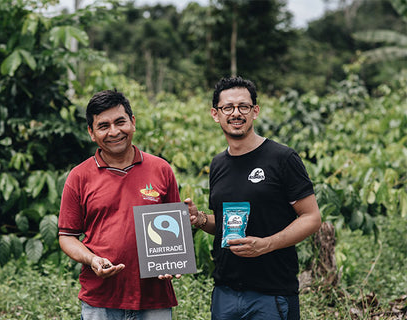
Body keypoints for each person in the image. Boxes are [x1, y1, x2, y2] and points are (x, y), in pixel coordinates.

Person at [185, 76, 322, 320]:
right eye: (228, 107)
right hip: (224, 292)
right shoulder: (217, 165)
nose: (235, 113)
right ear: (215, 114)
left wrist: (266, 244)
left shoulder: (283, 158)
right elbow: (226, 223)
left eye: (243, 107)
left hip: (272, 294)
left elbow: (311, 217)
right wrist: (200, 219)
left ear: (255, 111)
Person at [58, 89, 181, 320]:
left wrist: (171, 262)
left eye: (120, 122)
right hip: (101, 300)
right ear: (91, 133)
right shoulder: (79, 177)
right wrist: (92, 259)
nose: (114, 132)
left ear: (133, 123)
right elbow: (66, 236)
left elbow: (173, 233)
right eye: (103, 126)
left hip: (154, 299)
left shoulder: (161, 169)